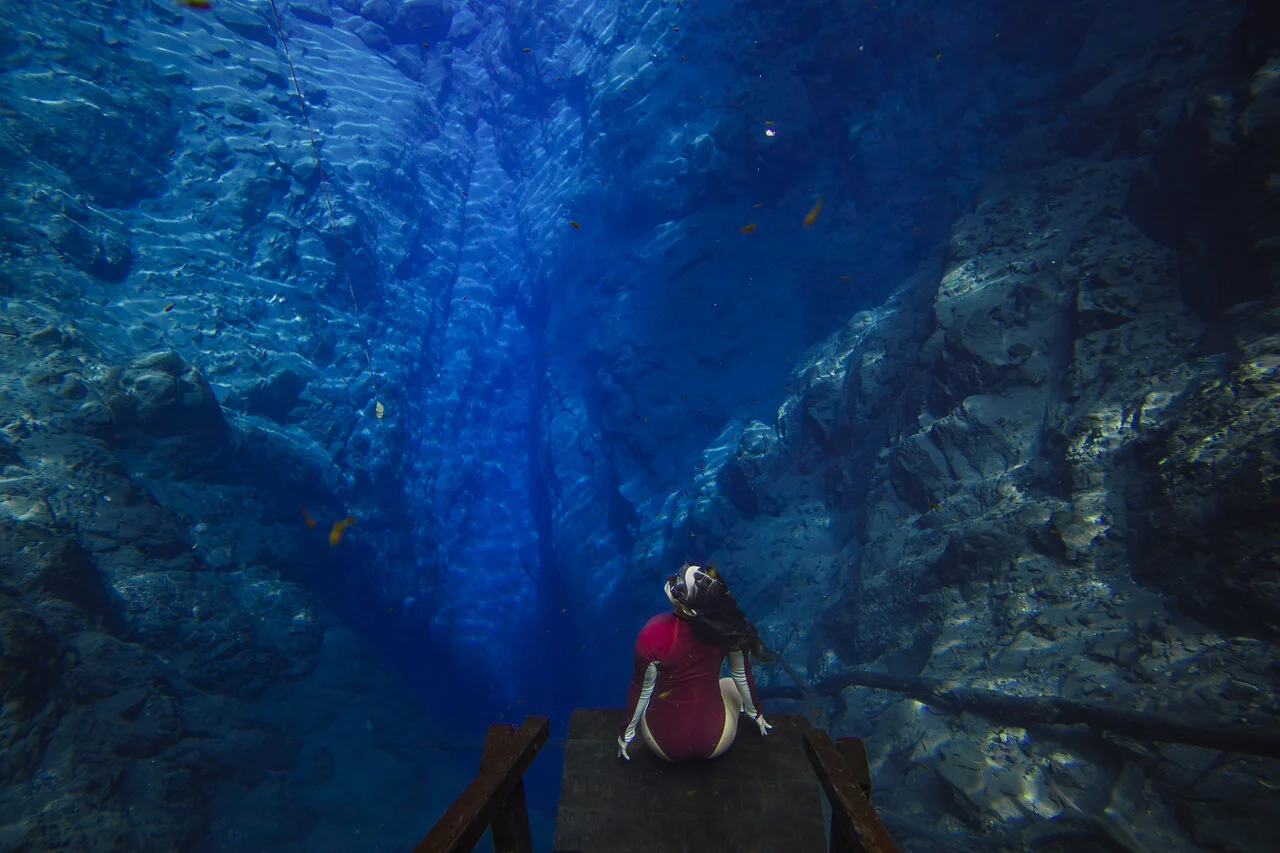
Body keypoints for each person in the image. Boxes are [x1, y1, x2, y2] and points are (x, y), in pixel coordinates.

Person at [617, 562, 774, 762]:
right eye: (681, 572)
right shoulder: (729, 632)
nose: (673, 579)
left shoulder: (652, 632)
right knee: (729, 683)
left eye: (680, 584)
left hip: (661, 745)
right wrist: (756, 714)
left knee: (651, 689)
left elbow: (641, 690)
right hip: (717, 741)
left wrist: (626, 734)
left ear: (691, 611)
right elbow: (741, 675)